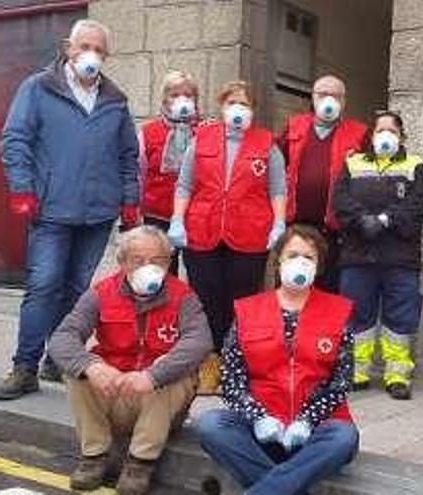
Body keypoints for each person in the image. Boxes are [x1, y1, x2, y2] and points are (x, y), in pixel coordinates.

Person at [0, 19, 140, 400]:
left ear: (106, 56)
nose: (91, 55)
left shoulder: (115, 100)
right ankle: (24, 367)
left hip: (97, 214)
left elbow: (128, 156)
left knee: (76, 291)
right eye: (84, 46)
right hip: (51, 210)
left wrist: (129, 200)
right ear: (68, 48)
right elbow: (15, 140)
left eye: (99, 50)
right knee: (44, 285)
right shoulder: (38, 88)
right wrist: (23, 189)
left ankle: (58, 360)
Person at [48, 226, 211, 495]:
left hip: (157, 402)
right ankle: (94, 456)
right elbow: (62, 338)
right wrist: (92, 366)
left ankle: (140, 463)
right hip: (114, 392)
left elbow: (199, 342)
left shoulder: (183, 296)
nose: (149, 267)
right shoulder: (100, 293)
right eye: (138, 260)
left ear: (169, 262)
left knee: (178, 374)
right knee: (75, 372)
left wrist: (153, 375)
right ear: (122, 262)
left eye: (157, 260)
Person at [197, 225, 359, 495]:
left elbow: (340, 383)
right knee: (210, 425)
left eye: (309, 257)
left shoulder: (338, 311)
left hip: (315, 431)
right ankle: (287, 486)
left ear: (318, 266)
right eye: (293, 254)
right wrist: (258, 418)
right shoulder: (249, 310)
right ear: (278, 260)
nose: (300, 262)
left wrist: (307, 420)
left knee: (344, 437)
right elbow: (232, 379)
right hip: (261, 430)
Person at [167, 80, 287, 394]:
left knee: (243, 303)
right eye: (232, 102)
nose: (238, 109)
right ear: (221, 106)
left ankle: (237, 367)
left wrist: (279, 222)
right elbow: (185, 184)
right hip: (202, 231)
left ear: (254, 110)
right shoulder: (202, 138)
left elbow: (277, 189)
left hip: (249, 234)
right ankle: (209, 365)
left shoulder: (267, 144)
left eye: (245, 104)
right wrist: (178, 219)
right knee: (206, 301)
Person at [332, 111, 423, 399]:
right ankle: (357, 371)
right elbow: (340, 200)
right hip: (358, 255)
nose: (386, 135)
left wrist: (386, 219)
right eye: (380, 130)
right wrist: (362, 219)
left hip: (399, 258)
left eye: (392, 130)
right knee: (356, 314)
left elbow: (417, 204)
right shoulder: (352, 164)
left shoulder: (416, 167)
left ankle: (397, 375)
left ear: (402, 136)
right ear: (371, 135)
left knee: (399, 317)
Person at [279, 75, 368, 291]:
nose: (329, 100)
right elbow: (275, 166)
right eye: (322, 94)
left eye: (335, 96)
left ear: (344, 101)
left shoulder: (360, 133)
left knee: (328, 291)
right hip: (296, 227)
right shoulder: (294, 126)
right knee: (292, 288)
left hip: (335, 232)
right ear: (313, 98)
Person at [138, 70, 203, 274]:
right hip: (158, 215)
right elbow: (138, 173)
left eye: (188, 95)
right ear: (165, 100)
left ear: (195, 100)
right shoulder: (148, 132)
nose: (181, 100)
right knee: (162, 274)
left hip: (196, 215)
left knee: (199, 275)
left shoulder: (208, 132)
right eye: (174, 95)